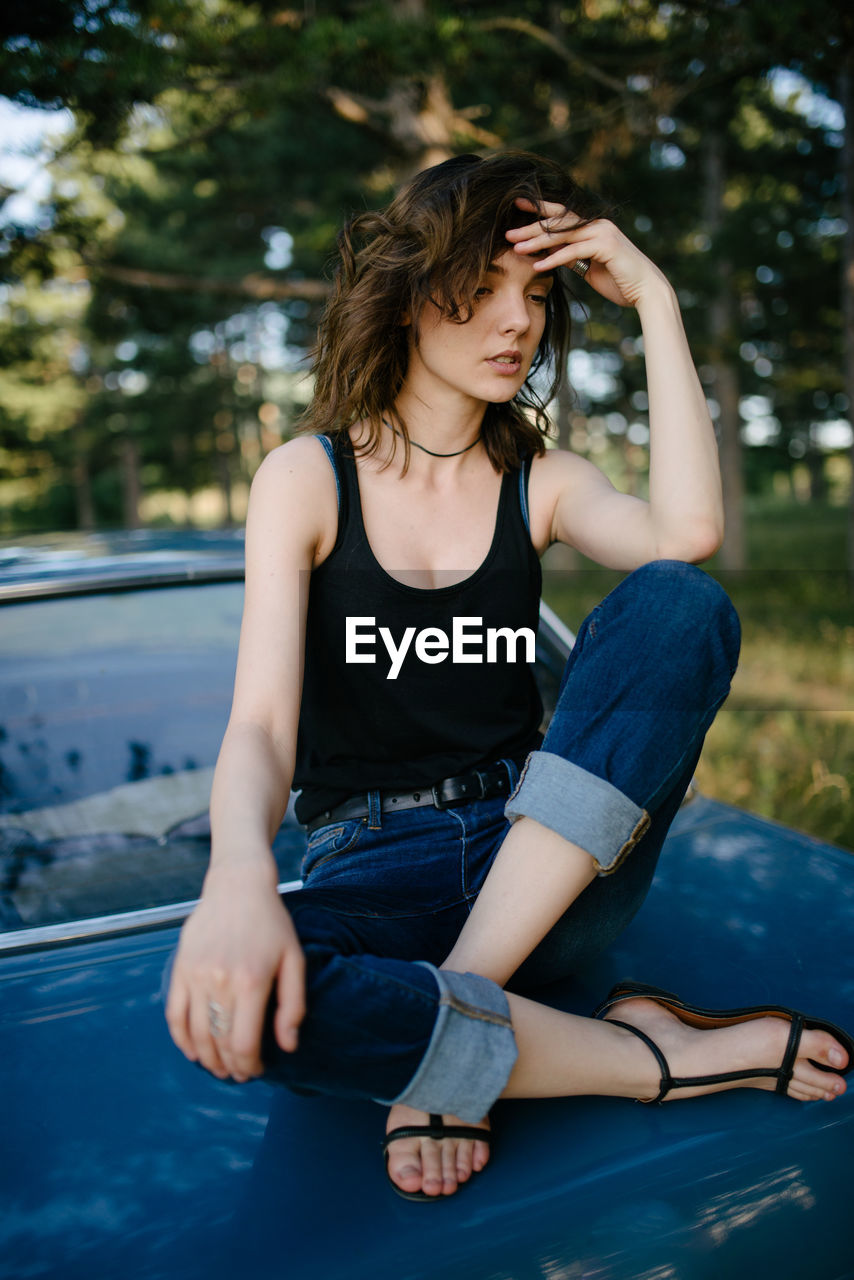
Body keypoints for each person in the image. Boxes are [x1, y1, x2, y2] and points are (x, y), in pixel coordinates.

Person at [165, 151, 852, 1202]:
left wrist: (654, 299)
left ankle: (455, 1019)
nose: (515, 321)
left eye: (533, 293)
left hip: (539, 862)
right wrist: (237, 880)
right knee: (247, 1006)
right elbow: (260, 722)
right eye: (480, 288)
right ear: (405, 298)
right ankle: (654, 1057)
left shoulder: (541, 481)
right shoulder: (306, 478)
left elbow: (687, 532)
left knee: (677, 602)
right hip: (367, 869)